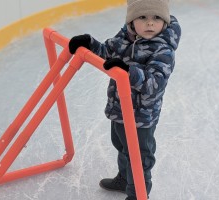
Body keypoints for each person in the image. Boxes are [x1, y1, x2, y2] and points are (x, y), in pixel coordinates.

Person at [68, 0, 181, 199]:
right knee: (121, 146)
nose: (149, 23)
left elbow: (153, 85)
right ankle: (123, 178)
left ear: (164, 21)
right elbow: (106, 52)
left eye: (156, 18)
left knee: (139, 157)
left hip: (141, 117)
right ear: (131, 21)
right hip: (120, 109)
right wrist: (89, 42)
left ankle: (137, 193)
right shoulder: (124, 38)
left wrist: (128, 70)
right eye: (142, 17)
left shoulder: (163, 51)